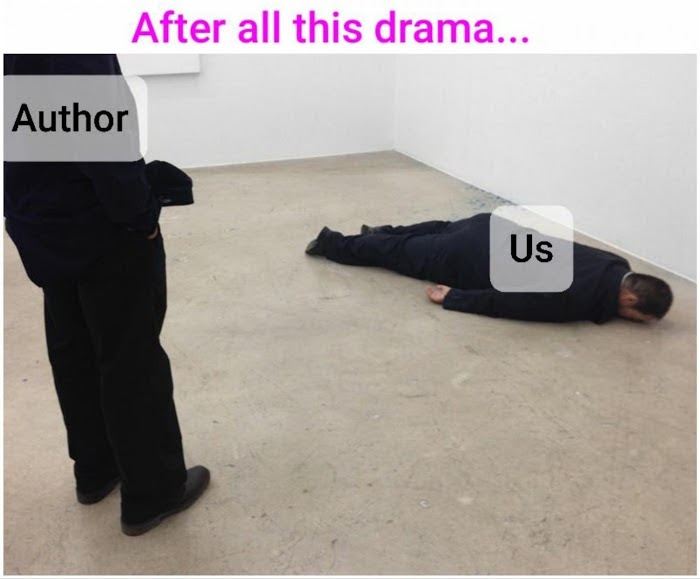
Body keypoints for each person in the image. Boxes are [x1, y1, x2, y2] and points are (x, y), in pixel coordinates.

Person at [4, 54, 209, 536]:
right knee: (130, 357)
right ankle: (152, 492)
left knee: (72, 347)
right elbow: (100, 140)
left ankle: (95, 469)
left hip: (41, 217)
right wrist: (141, 216)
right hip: (98, 222)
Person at [305, 213, 673, 324]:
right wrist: (455, 297)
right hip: (467, 256)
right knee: (398, 253)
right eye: (639, 317)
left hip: (492, 227)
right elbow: (515, 303)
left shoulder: (614, 264)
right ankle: (330, 243)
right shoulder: (580, 297)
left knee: (433, 230)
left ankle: (381, 231)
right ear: (629, 299)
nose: (636, 322)